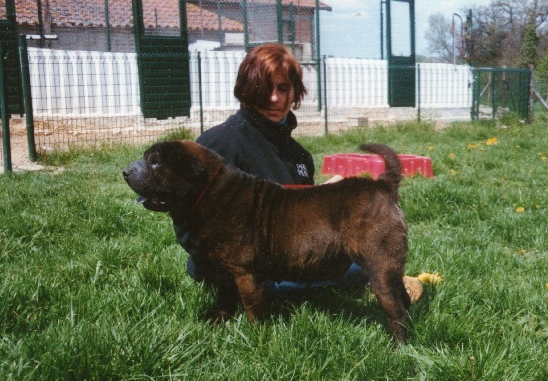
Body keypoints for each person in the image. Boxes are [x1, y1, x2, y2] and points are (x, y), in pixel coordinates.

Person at [176, 43, 422, 302]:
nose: (274, 98)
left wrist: (324, 199)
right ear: (247, 89)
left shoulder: (299, 155)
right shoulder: (219, 144)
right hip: (236, 271)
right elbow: (186, 226)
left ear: (294, 91)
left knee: (360, 260)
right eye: (264, 87)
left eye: (283, 88)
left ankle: (373, 282)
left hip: (286, 262)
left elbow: (302, 231)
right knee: (350, 274)